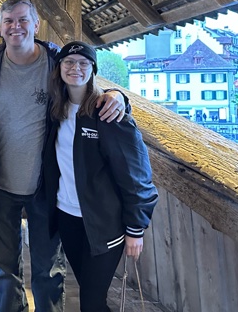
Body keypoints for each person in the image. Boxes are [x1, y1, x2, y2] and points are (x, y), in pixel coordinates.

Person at [0, 0, 126, 312]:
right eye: (8, 21)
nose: (15, 27)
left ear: (36, 24)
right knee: (6, 272)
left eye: (22, 20)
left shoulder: (56, 62)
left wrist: (118, 96)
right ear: (0, 27)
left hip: (45, 186)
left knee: (47, 269)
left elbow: (86, 82)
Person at [45, 41, 158, 311]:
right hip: (67, 217)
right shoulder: (55, 110)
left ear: (93, 70)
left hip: (104, 223)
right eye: (69, 62)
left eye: (83, 63)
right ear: (59, 68)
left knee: (91, 302)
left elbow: (136, 173)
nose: (75, 68)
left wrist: (136, 228)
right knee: (90, 295)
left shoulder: (108, 112)